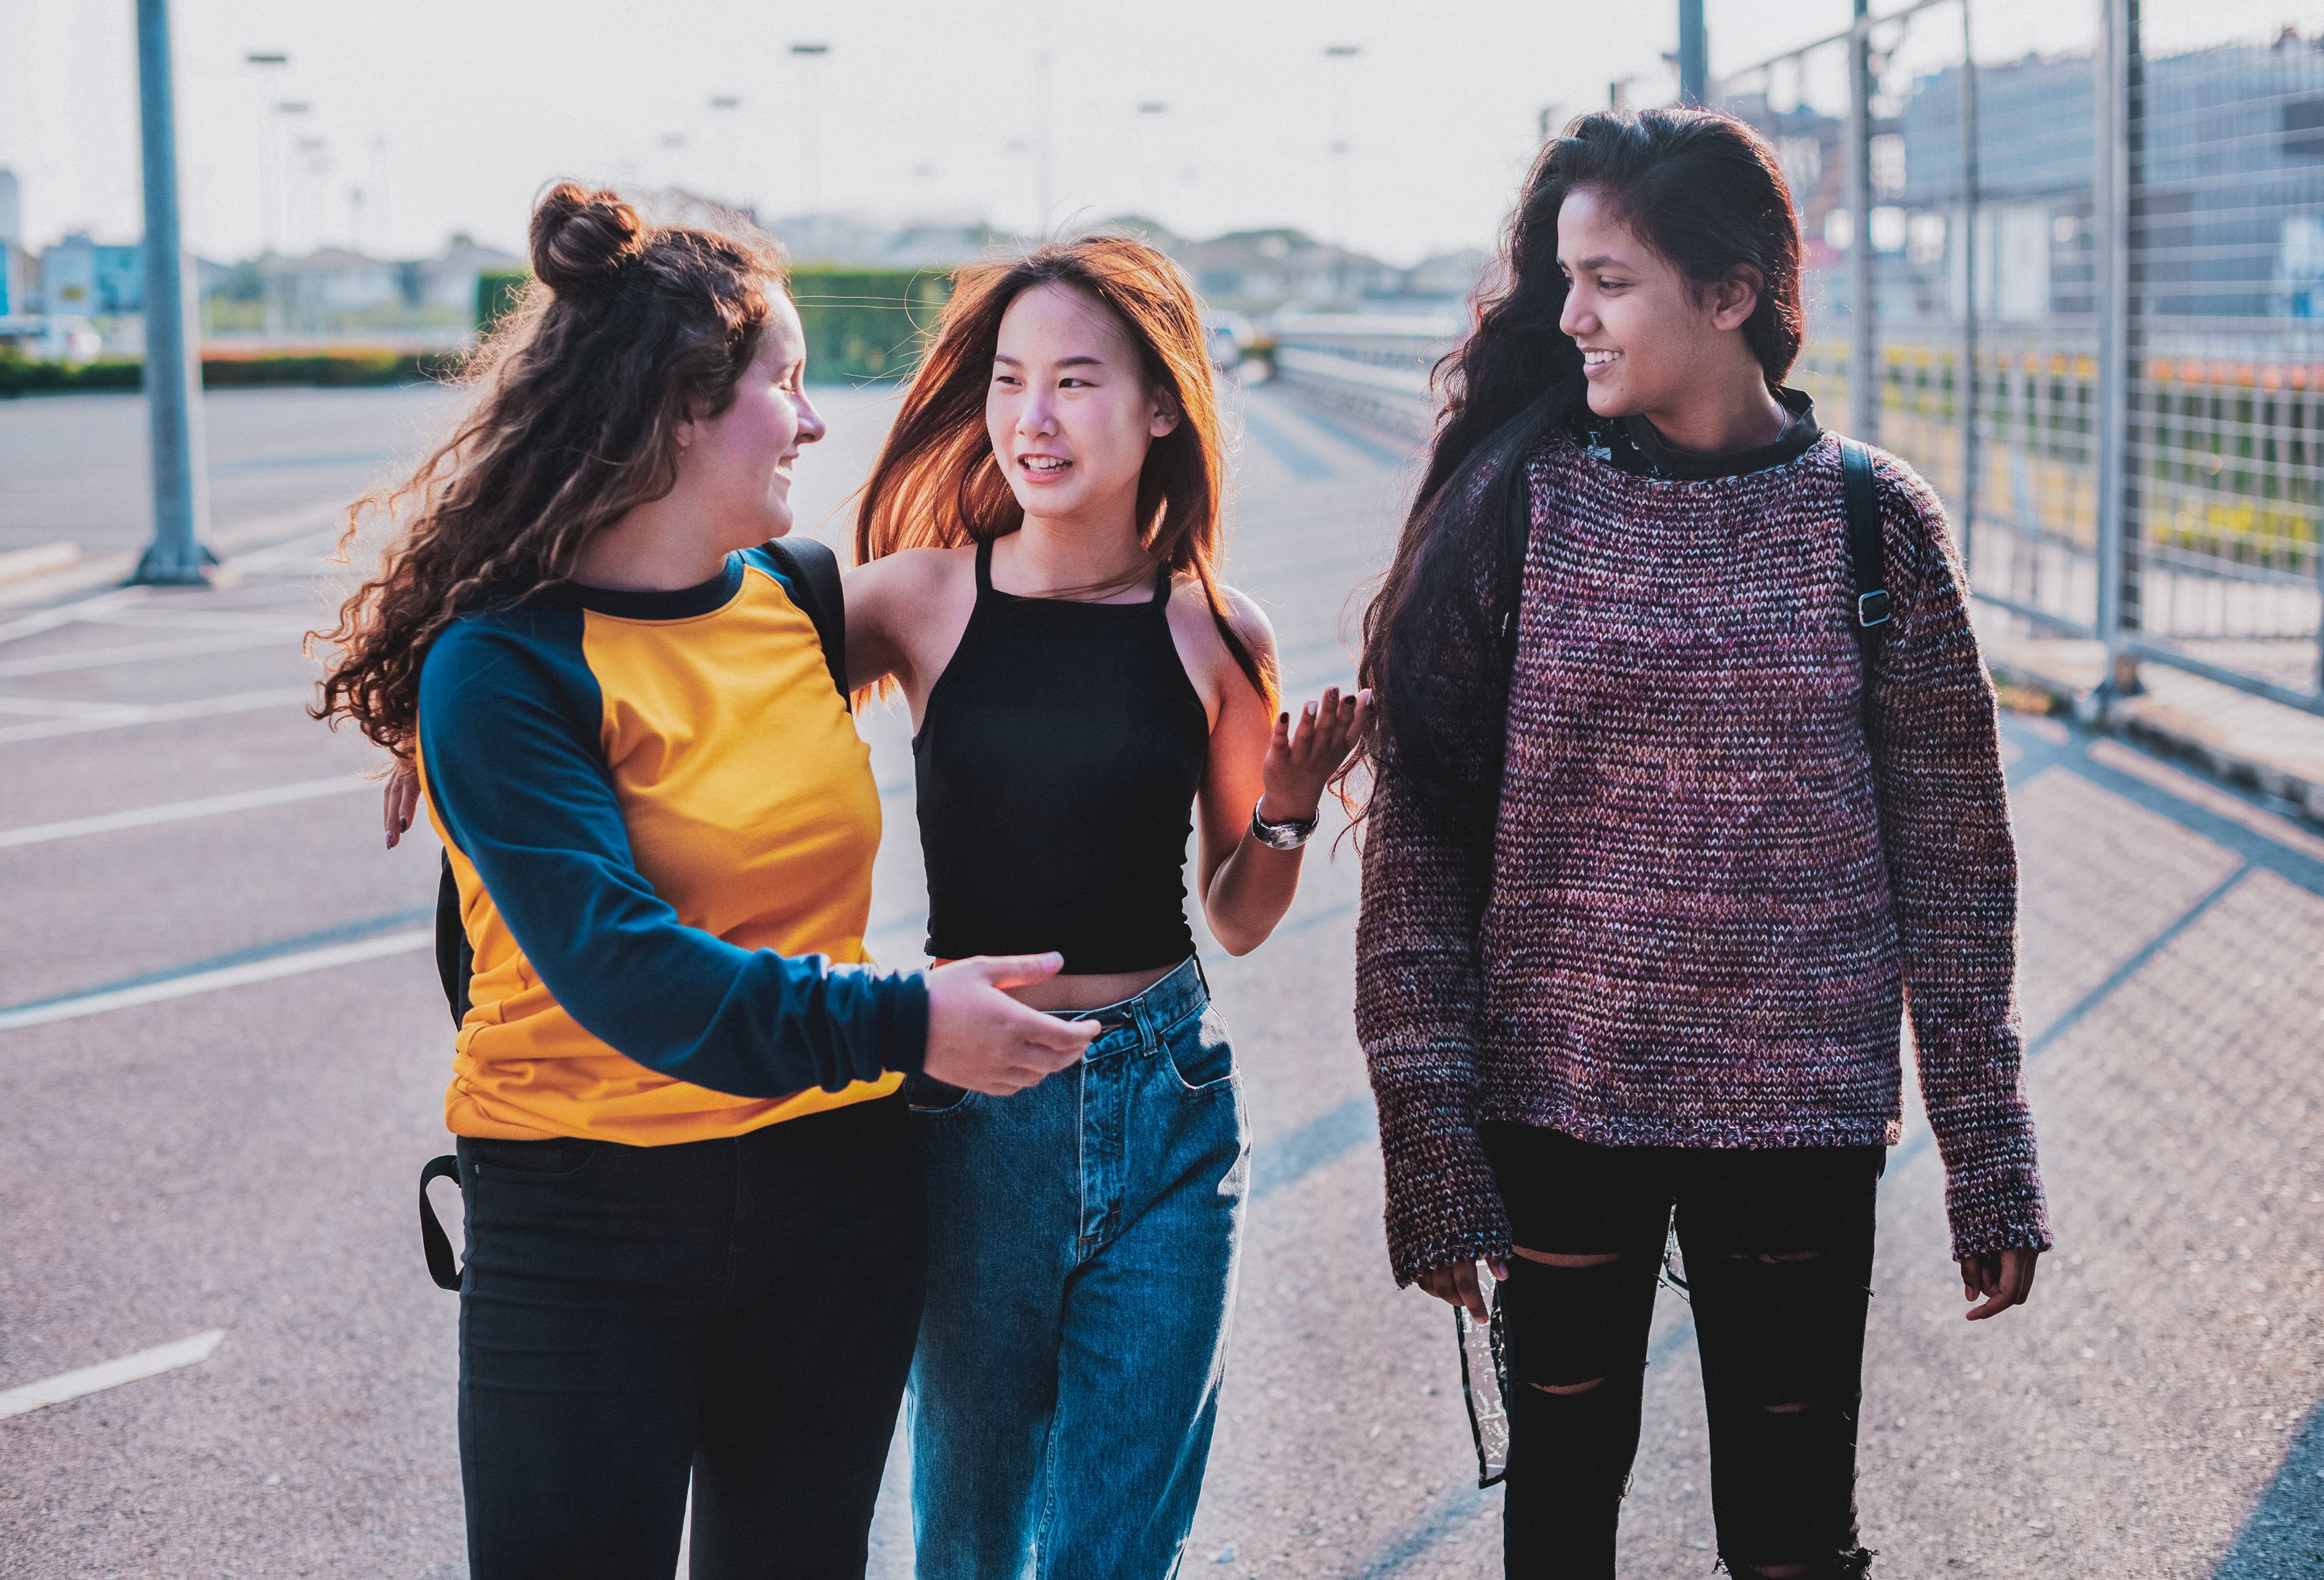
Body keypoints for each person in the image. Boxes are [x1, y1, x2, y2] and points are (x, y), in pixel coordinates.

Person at [324, 184, 1095, 1580]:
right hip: (585, 1220)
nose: (812, 423)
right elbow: (627, 969)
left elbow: (1023, 617)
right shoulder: (501, 668)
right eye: (785, 384)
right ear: (681, 407)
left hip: (835, 1202)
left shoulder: (795, 594)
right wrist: (912, 1021)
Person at [1349, 109, 2050, 1579]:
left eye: (1609, 280)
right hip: (1559, 1104)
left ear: (1731, 294)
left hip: (1799, 1119)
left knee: (1793, 1538)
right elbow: (1420, 855)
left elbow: (1954, 865)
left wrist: (1987, 1145)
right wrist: (1431, 1143)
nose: (1570, 315)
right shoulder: (1518, 508)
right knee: (1559, 1524)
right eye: (1565, 277)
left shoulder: (1874, 522)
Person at [842, 235, 1366, 1580]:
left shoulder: (1217, 633)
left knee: (1116, 1552)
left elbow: (1237, 914)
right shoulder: (920, 599)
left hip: (1167, 1107)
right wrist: (461, 713)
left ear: (1159, 408)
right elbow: (700, 660)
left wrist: (1288, 809)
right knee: (968, 1543)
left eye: (1075, 381)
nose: (1033, 417)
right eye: (1011, 380)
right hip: (973, 1117)